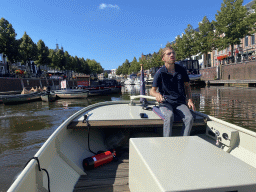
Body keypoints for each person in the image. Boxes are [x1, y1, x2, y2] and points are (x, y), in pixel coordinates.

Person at [150, 46, 196, 137]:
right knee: (169, 116)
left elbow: (187, 86)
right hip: (166, 102)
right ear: (163, 58)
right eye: (169, 53)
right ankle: (167, 142)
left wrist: (189, 99)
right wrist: (157, 94)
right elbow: (152, 91)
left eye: (173, 53)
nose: (172, 55)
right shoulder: (160, 73)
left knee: (189, 118)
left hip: (180, 102)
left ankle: (184, 140)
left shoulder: (181, 70)